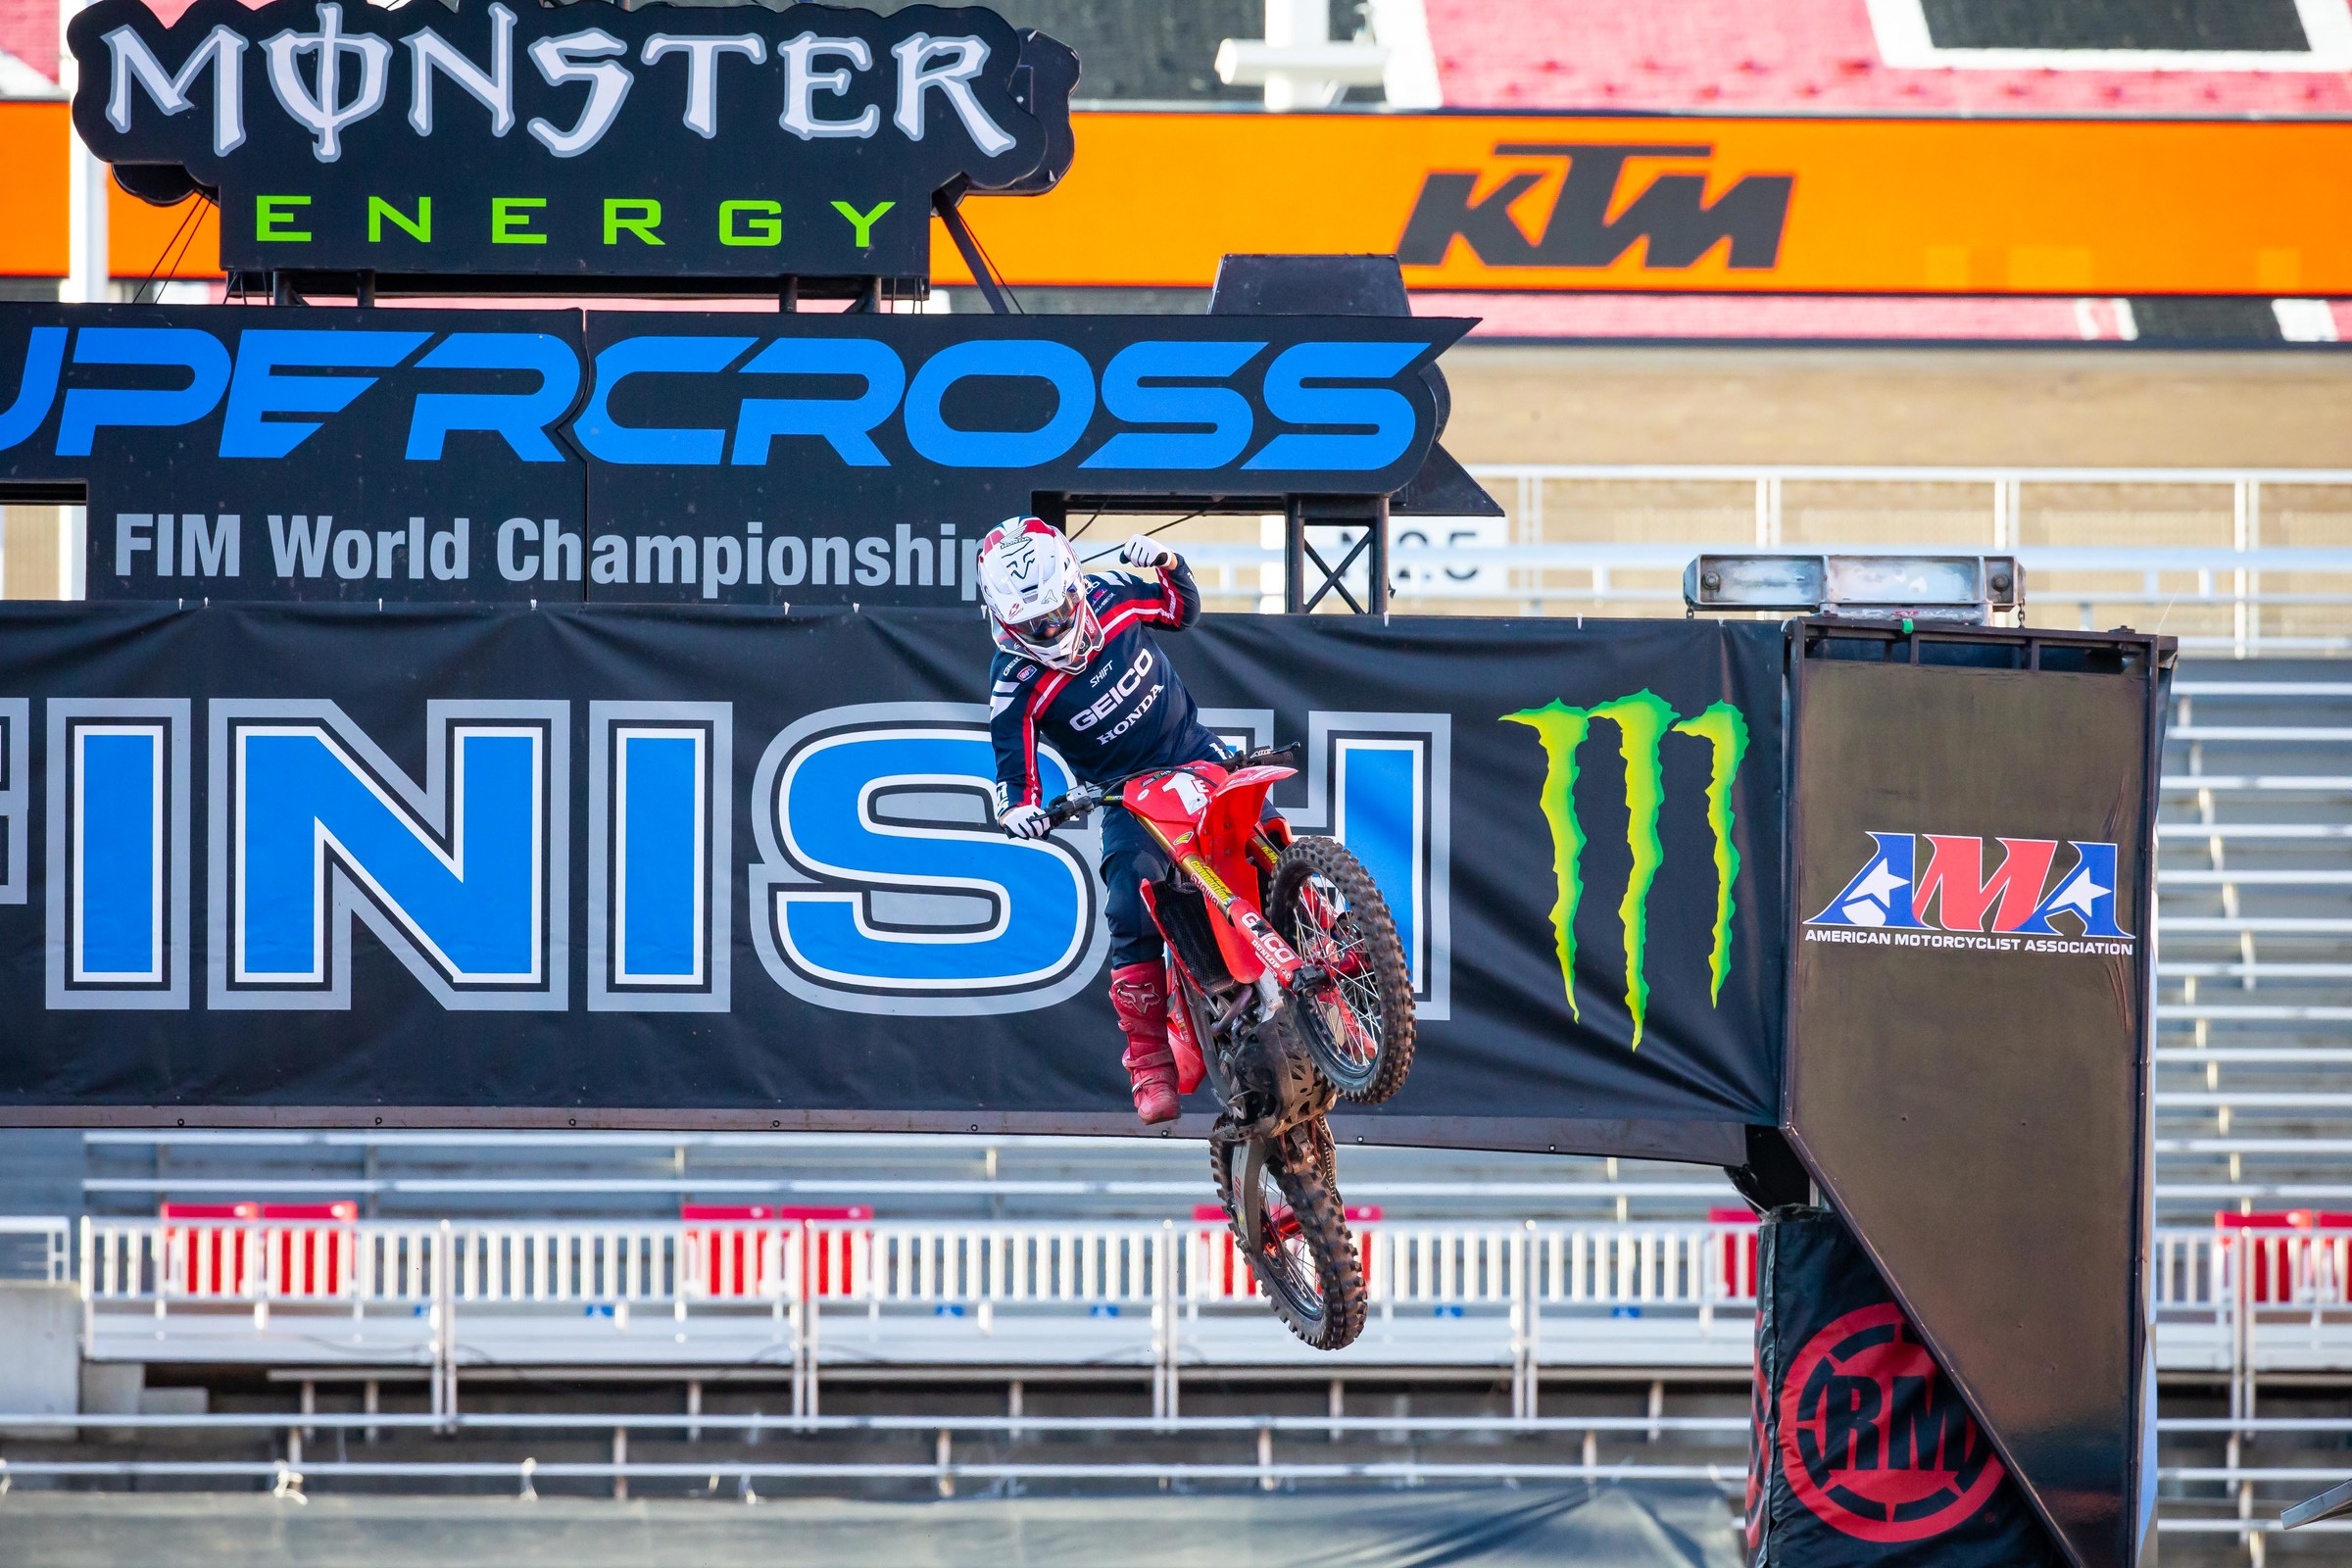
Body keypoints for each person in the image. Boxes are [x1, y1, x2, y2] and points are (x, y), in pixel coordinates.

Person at [978, 514, 1237, 1125]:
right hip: (1125, 796)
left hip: (1197, 753)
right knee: (1128, 901)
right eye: (1035, 623)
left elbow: (1182, 610)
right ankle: (1149, 1061)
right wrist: (1019, 810)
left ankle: (1334, 940)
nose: (1053, 628)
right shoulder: (1013, 681)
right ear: (1005, 621)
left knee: (1270, 836)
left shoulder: (1112, 595)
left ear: (1075, 583)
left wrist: (1168, 563)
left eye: (1059, 610)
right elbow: (1014, 776)